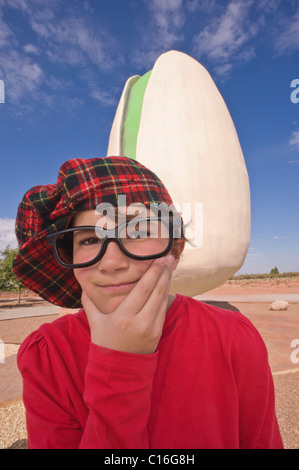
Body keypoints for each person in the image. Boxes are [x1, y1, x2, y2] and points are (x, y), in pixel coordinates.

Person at [14, 156, 283, 449]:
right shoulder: (48, 355)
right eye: (89, 240)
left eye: (138, 232)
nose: (111, 262)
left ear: (175, 250)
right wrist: (118, 363)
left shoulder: (232, 337)